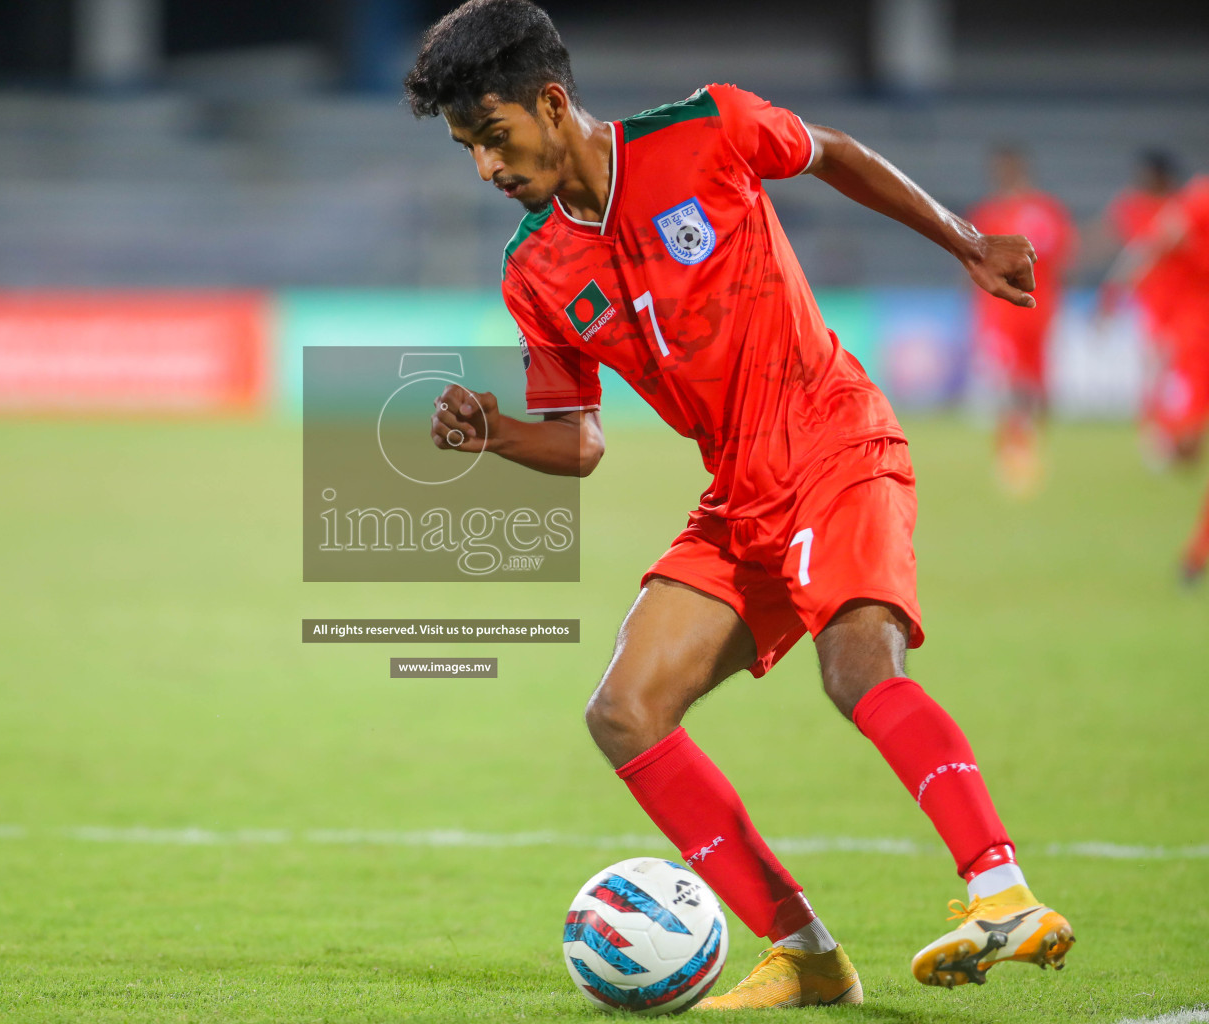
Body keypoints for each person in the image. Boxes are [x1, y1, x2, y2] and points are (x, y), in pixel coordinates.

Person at [404, 0, 1074, 1009]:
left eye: (493, 138)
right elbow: (581, 440)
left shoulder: (705, 129)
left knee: (856, 669)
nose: (487, 168)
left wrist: (964, 239)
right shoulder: (535, 271)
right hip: (738, 497)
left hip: (833, 438)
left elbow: (831, 152)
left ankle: (1002, 890)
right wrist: (496, 433)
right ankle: (806, 951)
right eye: (468, 149)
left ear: (552, 103)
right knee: (625, 712)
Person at [1105, 173, 1209, 583]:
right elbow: (1155, 243)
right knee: (1184, 447)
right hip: (1196, 341)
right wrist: (1116, 289)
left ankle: (1195, 558)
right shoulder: (1199, 198)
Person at [967, 147, 1075, 496]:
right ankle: (1013, 452)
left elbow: (1063, 258)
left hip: (1040, 311)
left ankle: (1029, 446)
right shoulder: (986, 213)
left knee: (1037, 387)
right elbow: (970, 262)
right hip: (1000, 313)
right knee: (1010, 383)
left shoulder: (1046, 211)